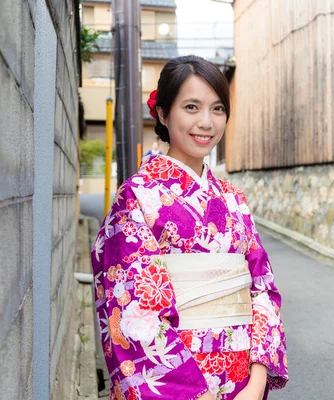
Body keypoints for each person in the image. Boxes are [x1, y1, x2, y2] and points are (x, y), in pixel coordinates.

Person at [91, 55, 288, 400]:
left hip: (241, 383)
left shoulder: (233, 198)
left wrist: (256, 384)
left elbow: (263, 291)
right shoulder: (136, 196)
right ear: (164, 114)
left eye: (217, 109)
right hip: (179, 382)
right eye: (192, 107)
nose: (206, 122)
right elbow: (133, 308)